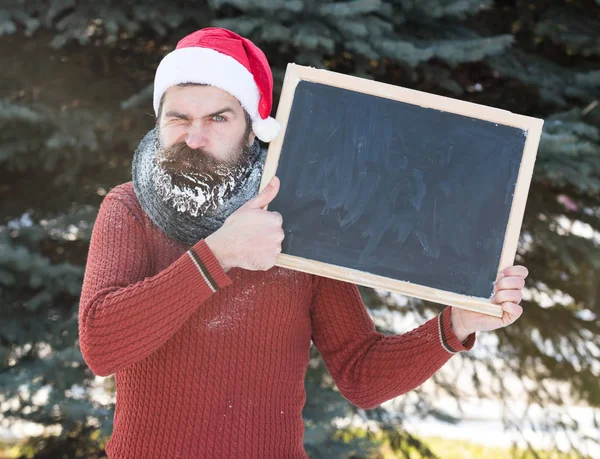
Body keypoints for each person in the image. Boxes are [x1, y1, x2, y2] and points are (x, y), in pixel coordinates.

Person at [78, 27, 529, 459]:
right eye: (179, 118)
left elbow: (361, 375)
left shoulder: (297, 219)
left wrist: (456, 324)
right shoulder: (130, 209)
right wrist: (220, 254)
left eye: (218, 117)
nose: (195, 137)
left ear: (252, 129)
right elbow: (101, 347)